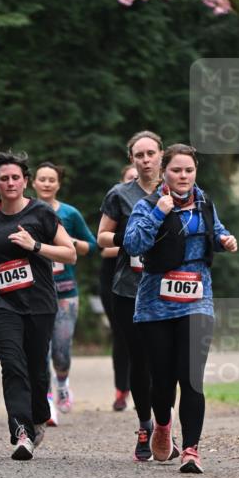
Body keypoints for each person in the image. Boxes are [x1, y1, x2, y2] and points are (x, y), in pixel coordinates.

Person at [124, 144, 238, 474]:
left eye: (189, 170)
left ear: (195, 172)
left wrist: (226, 240)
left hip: (196, 300)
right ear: (165, 173)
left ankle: (191, 449)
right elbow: (133, 245)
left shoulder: (204, 203)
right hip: (155, 307)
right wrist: (160, 211)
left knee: (191, 378)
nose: (183, 176)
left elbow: (215, 232)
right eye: (177, 170)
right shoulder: (147, 206)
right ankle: (162, 425)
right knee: (162, 380)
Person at [0, 150, 75, 460]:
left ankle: (38, 416)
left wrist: (35, 246)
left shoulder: (41, 214)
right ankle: (21, 431)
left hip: (39, 303)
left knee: (38, 370)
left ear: (25, 180)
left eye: (15, 177)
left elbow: (70, 254)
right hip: (2, 304)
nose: (10, 182)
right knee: (13, 366)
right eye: (4, 179)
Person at [97, 130, 178, 463]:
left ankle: (165, 425)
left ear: (161, 155)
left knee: (168, 363)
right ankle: (146, 425)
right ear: (131, 159)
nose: (145, 160)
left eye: (151, 153)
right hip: (129, 290)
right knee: (140, 360)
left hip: (167, 289)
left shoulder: (177, 189)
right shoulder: (120, 194)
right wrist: (132, 238)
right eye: (139, 155)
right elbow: (101, 237)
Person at [32, 161, 98, 415]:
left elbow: (91, 246)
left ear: (58, 184)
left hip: (65, 292)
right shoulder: (26, 211)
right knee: (40, 350)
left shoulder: (70, 214)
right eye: (42, 179)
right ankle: (46, 398)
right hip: (36, 291)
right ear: (34, 183)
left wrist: (70, 243)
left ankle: (62, 384)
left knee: (61, 350)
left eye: (52, 180)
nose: (47, 184)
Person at [99, 163, 137, 413]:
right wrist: (134, 244)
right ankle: (121, 390)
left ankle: (144, 389)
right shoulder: (118, 200)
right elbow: (103, 248)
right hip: (115, 277)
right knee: (122, 337)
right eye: (130, 177)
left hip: (145, 278)